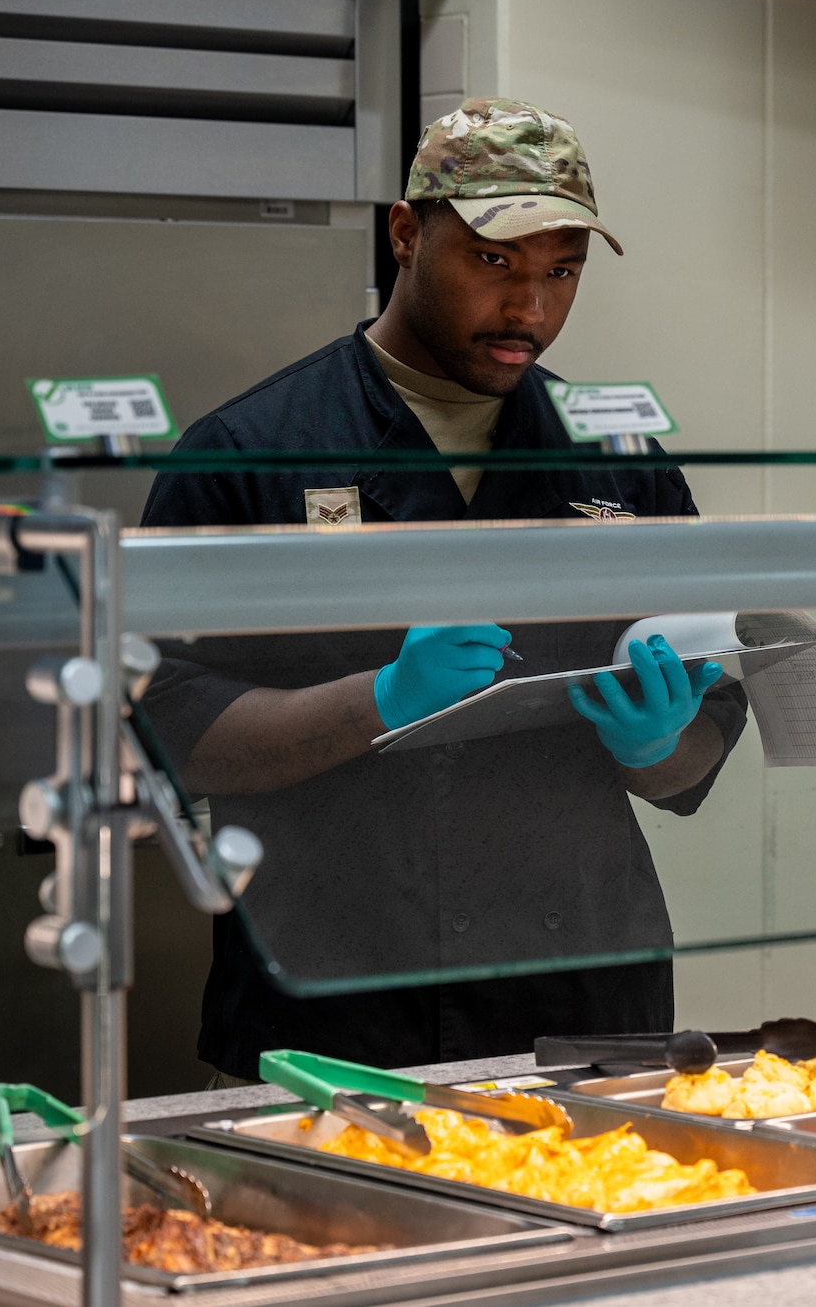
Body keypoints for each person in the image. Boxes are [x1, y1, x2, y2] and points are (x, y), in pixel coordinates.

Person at [138, 99, 747, 1083]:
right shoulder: (252, 452)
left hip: (582, 999)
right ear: (404, 232)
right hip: (334, 1004)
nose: (530, 311)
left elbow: (707, 725)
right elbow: (165, 727)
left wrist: (659, 742)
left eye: (562, 272)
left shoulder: (619, 460)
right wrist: (371, 702)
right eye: (495, 263)